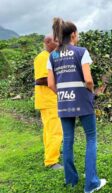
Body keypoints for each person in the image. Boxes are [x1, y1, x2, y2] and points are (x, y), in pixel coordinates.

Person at [47, 17, 106, 193]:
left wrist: (64, 95)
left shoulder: (52, 55)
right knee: (91, 138)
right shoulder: (81, 52)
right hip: (83, 101)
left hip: (64, 101)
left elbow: (51, 84)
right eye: (77, 33)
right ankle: (92, 184)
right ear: (73, 34)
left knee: (68, 140)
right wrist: (92, 91)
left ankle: (71, 180)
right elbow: (88, 79)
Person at [34, 35, 63, 170]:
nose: (58, 43)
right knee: (55, 131)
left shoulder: (50, 57)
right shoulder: (43, 57)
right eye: (56, 41)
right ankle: (51, 161)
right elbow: (40, 80)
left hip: (49, 100)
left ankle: (51, 153)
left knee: (49, 130)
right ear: (47, 42)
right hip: (48, 100)